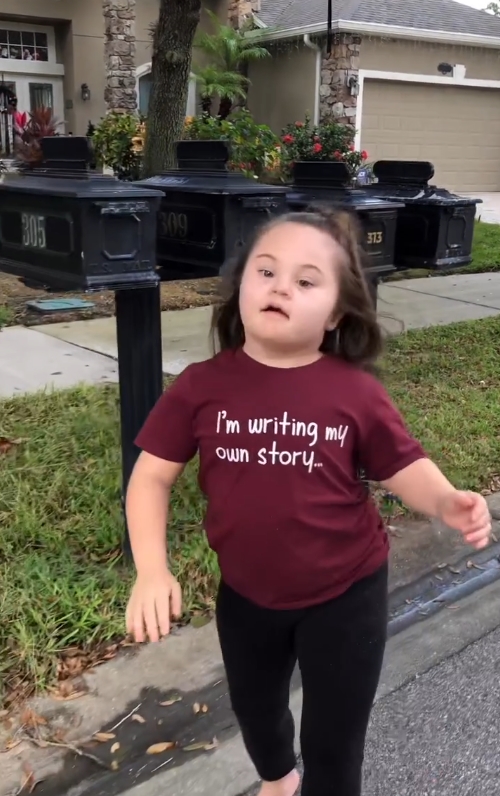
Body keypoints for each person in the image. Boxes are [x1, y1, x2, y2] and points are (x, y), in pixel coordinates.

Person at [125, 208, 491, 796]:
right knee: (257, 711)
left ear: (336, 313)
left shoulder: (354, 393)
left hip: (346, 596)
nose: (280, 288)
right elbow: (150, 477)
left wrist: (446, 501)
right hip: (246, 596)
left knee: (335, 742)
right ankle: (278, 779)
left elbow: (401, 465)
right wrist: (151, 569)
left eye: (305, 280)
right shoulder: (200, 386)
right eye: (266, 272)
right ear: (241, 285)